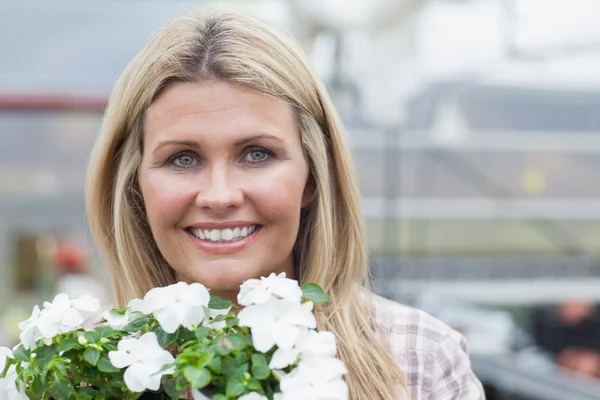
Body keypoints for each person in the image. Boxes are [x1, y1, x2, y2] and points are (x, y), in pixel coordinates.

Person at [85, 10, 485, 400]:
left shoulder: (419, 359)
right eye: (183, 159)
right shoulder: (80, 369)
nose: (220, 196)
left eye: (256, 154)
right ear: (133, 184)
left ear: (313, 174)